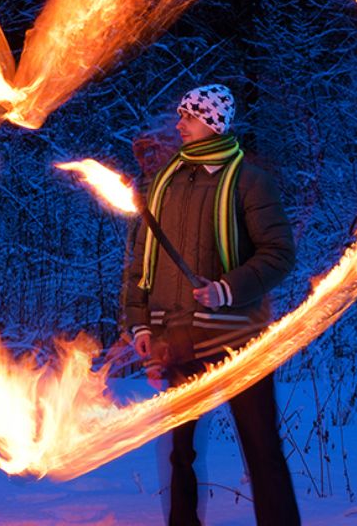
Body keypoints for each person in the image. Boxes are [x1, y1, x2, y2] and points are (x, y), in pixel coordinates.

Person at [123, 84, 300, 526]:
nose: (179, 124)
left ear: (214, 123)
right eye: (180, 115)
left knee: (261, 446)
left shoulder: (249, 180)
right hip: (176, 339)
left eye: (189, 116)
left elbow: (279, 255)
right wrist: (141, 325)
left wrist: (226, 289)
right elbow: (139, 263)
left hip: (239, 339)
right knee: (179, 451)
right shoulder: (163, 182)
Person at [131, 128, 214, 526]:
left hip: (212, 325)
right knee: (182, 440)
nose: (148, 164)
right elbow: (137, 276)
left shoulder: (189, 196)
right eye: (142, 158)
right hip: (171, 334)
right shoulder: (144, 205)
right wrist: (139, 330)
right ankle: (183, 519)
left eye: (154, 156)